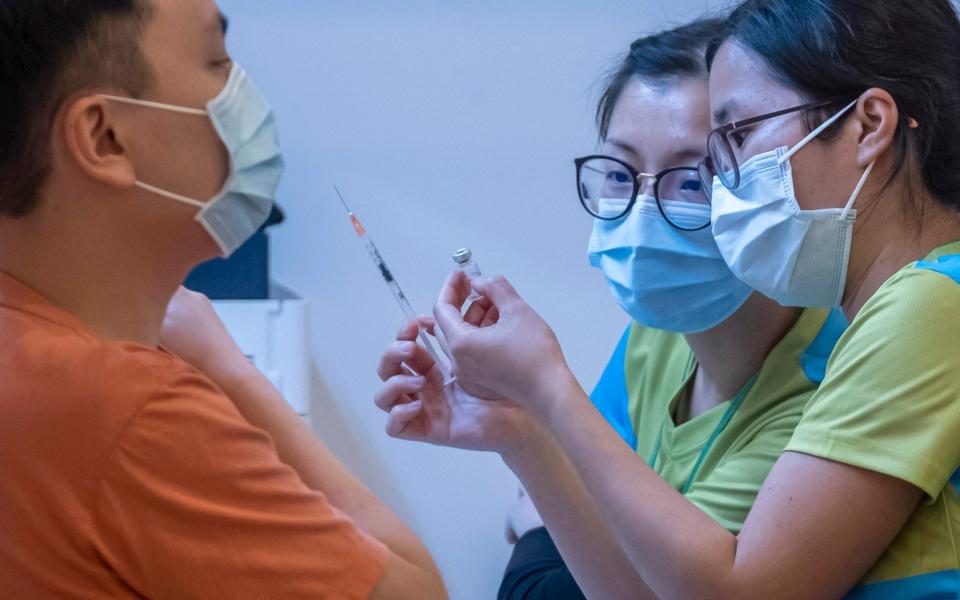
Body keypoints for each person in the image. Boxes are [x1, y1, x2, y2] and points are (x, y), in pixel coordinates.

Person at [378, 0, 960, 598]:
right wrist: (522, 431)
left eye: (731, 142)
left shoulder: (926, 305)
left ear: (868, 126)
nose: (730, 182)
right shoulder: (900, 305)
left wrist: (549, 388)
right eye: (620, 173)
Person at [0, 1, 445, 598]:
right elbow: (415, 591)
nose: (246, 99)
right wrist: (231, 371)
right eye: (217, 61)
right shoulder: (130, 413)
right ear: (105, 137)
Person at [493, 19, 847, 599]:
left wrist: (535, 511)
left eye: (691, 180)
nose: (641, 215)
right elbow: (580, 503)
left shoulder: (823, 391)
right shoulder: (657, 336)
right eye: (619, 173)